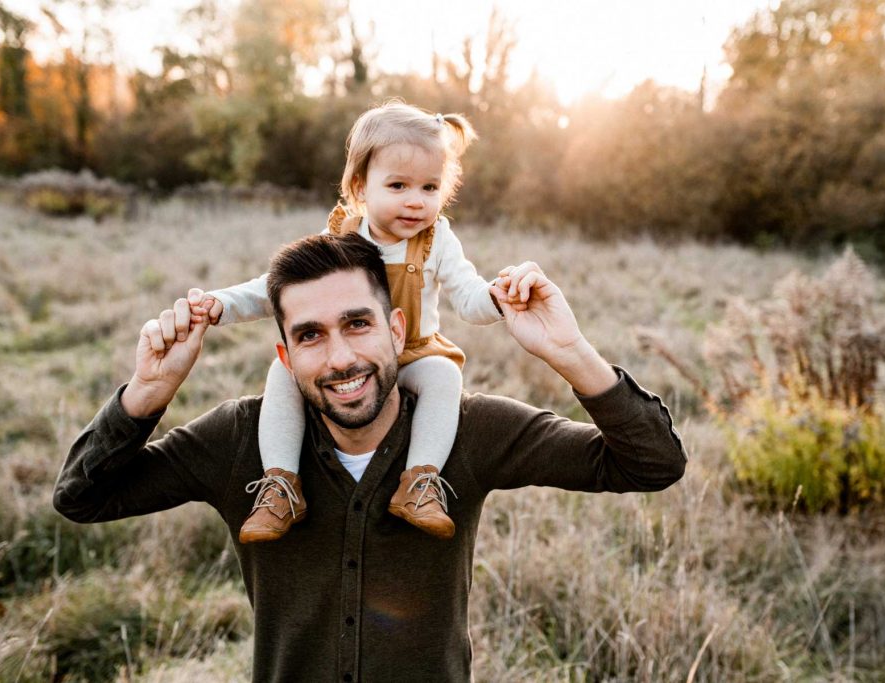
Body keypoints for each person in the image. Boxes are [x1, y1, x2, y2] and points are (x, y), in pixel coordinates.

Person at [53, 233, 687, 682]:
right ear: (285, 357)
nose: (340, 359)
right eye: (310, 336)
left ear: (396, 331)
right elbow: (82, 498)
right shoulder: (238, 439)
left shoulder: (472, 429)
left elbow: (651, 463)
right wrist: (148, 394)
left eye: (357, 324)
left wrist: (570, 351)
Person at [193, 101, 542, 543]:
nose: (416, 201)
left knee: (443, 376)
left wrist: (498, 296)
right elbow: (279, 287)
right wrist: (220, 305)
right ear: (361, 186)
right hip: (350, 351)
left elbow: (468, 298)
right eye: (398, 185)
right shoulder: (342, 236)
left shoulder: (438, 241)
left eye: (430, 188)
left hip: (412, 351)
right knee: (283, 372)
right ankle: (281, 486)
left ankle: (419, 482)